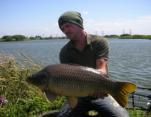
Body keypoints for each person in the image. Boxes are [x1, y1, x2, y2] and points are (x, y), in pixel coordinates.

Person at [57, 11, 129, 117]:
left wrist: (98, 86)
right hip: (76, 95)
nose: (65, 30)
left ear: (79, 24)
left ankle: (115, 90)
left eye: (68, 26)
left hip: (100, 91)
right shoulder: (64, 52)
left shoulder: (99, 42)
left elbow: (102, 70)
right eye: (62, 29)